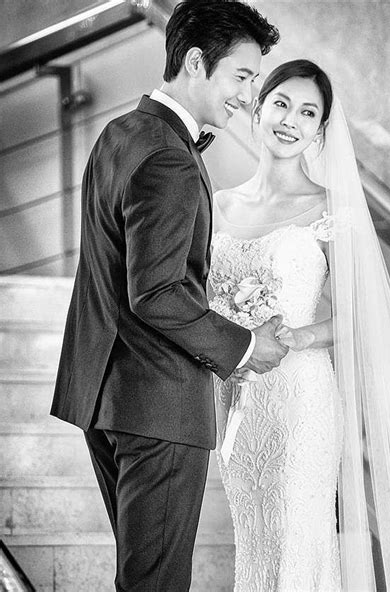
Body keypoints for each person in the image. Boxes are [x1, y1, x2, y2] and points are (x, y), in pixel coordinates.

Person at [50, 2, 287, 590]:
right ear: (196, 62)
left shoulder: (119, 133)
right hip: (157, 404)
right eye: (241, 75)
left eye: (255, 79)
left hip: (107, 395)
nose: (248, 95)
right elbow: (156, 291)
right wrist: (242, 346)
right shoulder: (169, 156)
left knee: (142, 578)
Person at [210, 60, 390, 591]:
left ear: (320, 130)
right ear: (258, 108)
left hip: (302, 400)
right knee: (254, 545)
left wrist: (300, 336)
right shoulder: (218, 204)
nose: (290, 120)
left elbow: (364, 316)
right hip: (235, 402)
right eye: (281, 103)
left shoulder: (330, 210)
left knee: (297, 547)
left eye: (308, 112)